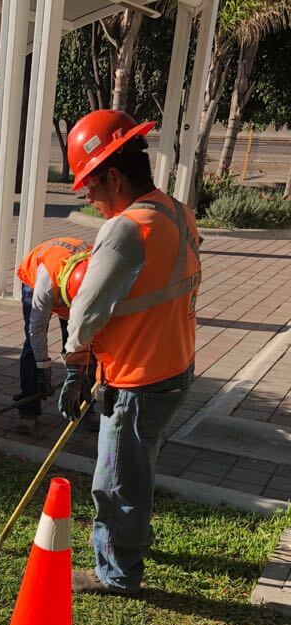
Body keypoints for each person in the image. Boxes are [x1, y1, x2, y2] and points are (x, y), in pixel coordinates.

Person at [59, 110, 202, 595]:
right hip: (175, 367)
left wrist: (74, 359)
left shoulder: (126, 229)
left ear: (114, 176)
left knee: (117, 480)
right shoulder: (176, 211)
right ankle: (131, 540)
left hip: (140, 377)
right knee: (137, 466)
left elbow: (84, 314)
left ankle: (116, 574)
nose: (89, 198)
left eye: (90, 187)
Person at [14, 237, 93, 433]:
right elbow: (36, 329)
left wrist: (76, 369)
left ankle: (82, 406)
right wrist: (43, 368)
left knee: (82, 346)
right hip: (38, 274)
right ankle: (29, 410)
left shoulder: (97, 272)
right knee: (32, 347)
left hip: (78, 286)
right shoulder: (46, 285)